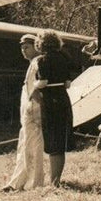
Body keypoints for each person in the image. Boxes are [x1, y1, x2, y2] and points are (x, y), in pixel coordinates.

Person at [2, 34, 48, 191]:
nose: (24, 51)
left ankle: (31, 183)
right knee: (24, 145)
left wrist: (35, 110)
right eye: (22, 48)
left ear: (36, 46)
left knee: (32, 147)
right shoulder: (32, 64)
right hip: (28, 113)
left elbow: (37, 89)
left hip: (34, 112)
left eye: (27, 47)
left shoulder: (38, 62)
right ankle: (18, 181)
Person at [36, 30, 74, 186]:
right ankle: (56, 179)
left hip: (51, 102)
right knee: (60, 143)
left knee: (52, 142)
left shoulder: (42, 60)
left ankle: (54, 183)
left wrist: (34, 85)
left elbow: (43, 82)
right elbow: (68, 83)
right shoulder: (65, 57)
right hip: (63, 99)